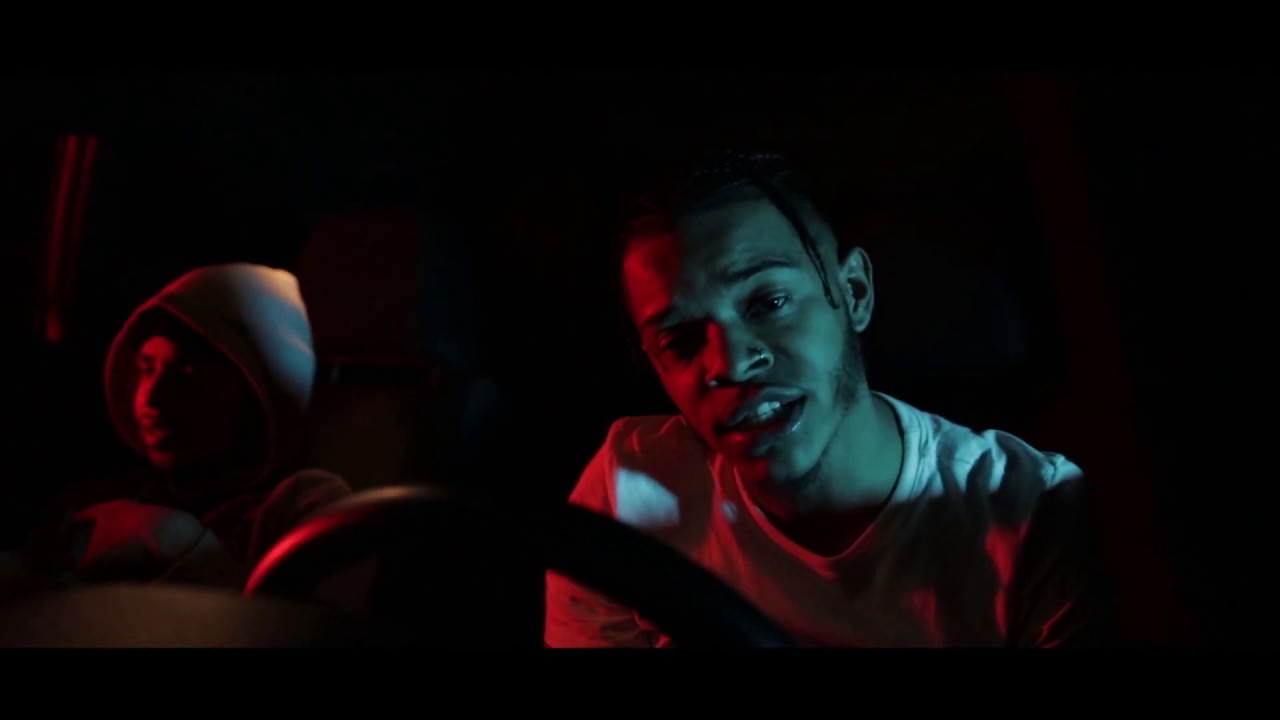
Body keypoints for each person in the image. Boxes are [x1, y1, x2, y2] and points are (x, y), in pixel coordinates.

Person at [544, 152, 1118, 647]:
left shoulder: (1031, 513)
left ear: (854, 292)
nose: (731, 363)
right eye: (680, 339)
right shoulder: (624, 497)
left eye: (768, 303)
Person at [2, 263, 352, 599]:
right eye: (147, 368)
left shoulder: (307, 505)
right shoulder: (97, 501)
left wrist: (176, 544)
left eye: (188, 374)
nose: (152, 399)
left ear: (258, 389)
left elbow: (305, 623)